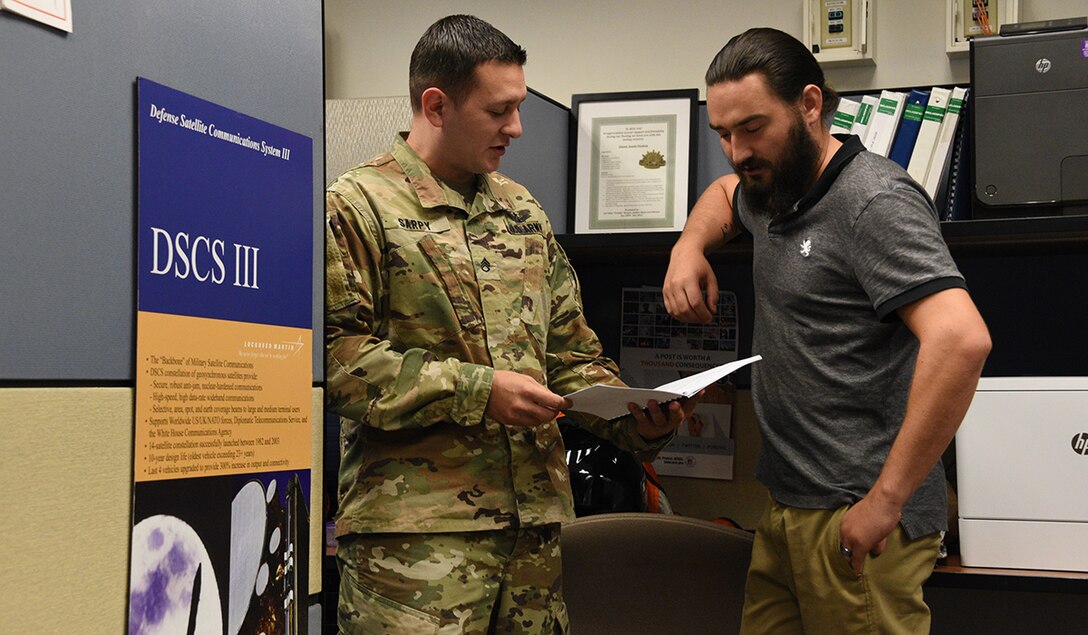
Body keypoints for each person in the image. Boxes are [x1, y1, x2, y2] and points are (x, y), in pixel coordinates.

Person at [325, 15, 695, 634]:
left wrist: (636, 417)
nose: (517, 128)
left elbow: (571, 353)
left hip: (535, 541)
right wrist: (479, 390)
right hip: (416, 550)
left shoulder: (520, 210)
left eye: (520, 107)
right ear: (436, 105)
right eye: (500, 110)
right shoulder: (359, 205)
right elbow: (339, 363)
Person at [663, 27, 992, 634]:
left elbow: (962, 339)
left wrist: (885, 502)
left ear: (810, 105)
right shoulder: (771, 187)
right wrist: (689, 245)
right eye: (723, 134)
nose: (737, 151)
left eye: (752, 128)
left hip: (859, 520)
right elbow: (724, 191)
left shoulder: (873, 201)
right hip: (787, 508)